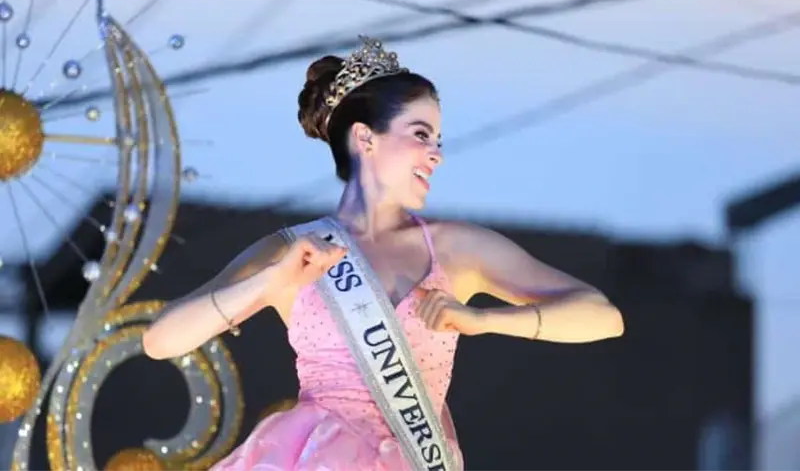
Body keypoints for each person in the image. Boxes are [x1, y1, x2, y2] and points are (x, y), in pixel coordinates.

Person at [142, 36, 625, 470]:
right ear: (365, 138)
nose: (436, 154)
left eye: (437, 140)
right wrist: (269, 281)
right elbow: (160, 340)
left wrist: (484, 320)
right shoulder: (295, 250)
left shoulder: (456, 248)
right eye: (420, 134)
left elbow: (603, 317)